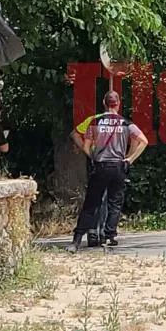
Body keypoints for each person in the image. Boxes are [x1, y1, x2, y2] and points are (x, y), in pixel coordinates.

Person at [66, 91, 148, 252]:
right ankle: (109, 236)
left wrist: (92, 156)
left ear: (104, 103)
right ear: (118, 104)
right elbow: (143, 141)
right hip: (118, 167)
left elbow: (86, 145)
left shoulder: (95, 121)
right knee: (115, 203)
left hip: (100, 166)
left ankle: (76, 240)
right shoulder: (126, 123)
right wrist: (129, 159)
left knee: (91, 203)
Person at [71, 114, 110, 248]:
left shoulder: (92, 120)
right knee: (104, 198)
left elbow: (75, 134)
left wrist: (87, 151)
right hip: (107, 162)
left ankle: (94, 233)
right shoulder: (117, 121)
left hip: (96, 161)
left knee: (97, 198)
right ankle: (100, 233)